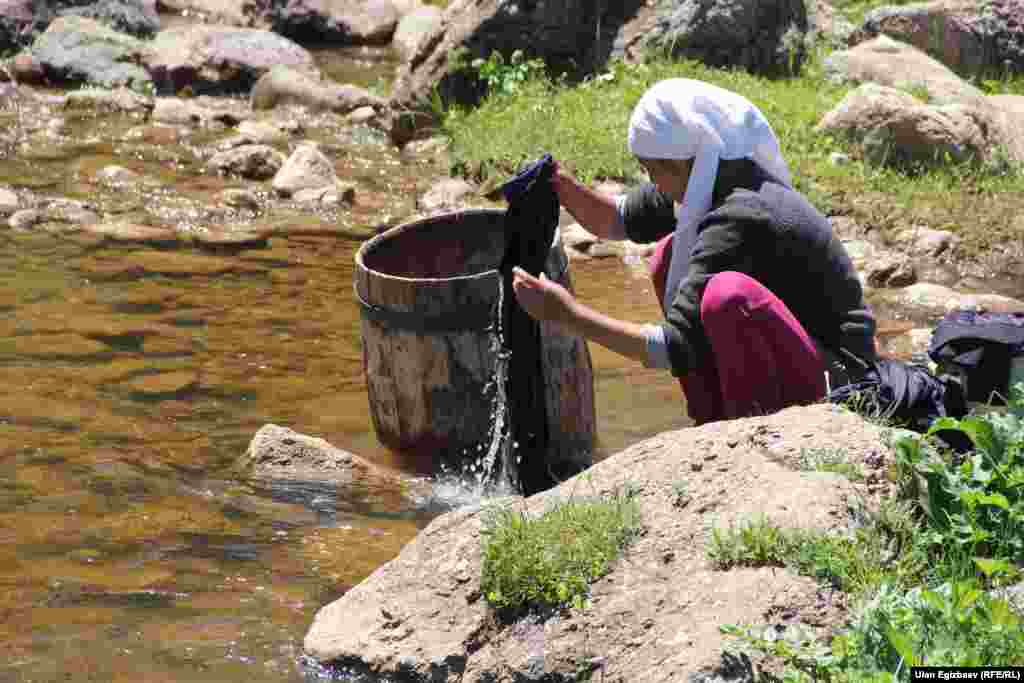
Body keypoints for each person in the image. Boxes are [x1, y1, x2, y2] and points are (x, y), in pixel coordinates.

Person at [511, 78, 878, 425]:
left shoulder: (740, 214)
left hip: (842, 384)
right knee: (670, 257)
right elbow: (617, 220)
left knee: (724, 297)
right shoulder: (707, 173)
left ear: (680, 162)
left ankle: (751, 433)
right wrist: (559, 184)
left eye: (652, 171)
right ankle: (712, 422)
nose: (652, 182)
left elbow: (673, 346)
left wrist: (568, 315)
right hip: (800, 355)